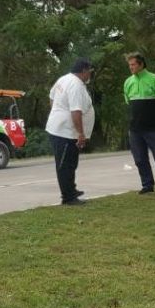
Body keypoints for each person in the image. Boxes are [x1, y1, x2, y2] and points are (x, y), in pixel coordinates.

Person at [123, 52, 155, 198]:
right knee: (139, 159)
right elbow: (129, 103)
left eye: (133, 65)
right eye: (129, 65)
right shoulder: (128, 82)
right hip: (135, 129)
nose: (131, 67)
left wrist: (154, 116)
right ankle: (147, 184)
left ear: (141, 64)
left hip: (153, 128)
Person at [46, 59, 95, 205]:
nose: (90, 75)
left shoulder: (64, 79)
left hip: (60, 128)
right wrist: (81, 134)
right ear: (84, 71)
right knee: (65, 165)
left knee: (71, 162)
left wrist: (57, 111)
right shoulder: (75, 85)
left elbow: (51, 97)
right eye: (89, 72)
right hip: (65, 132)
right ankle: (68, 197)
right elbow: (76, 111)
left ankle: (71, 190)